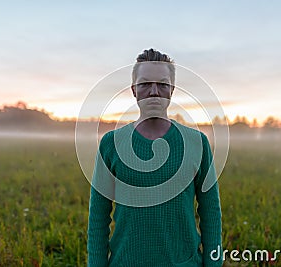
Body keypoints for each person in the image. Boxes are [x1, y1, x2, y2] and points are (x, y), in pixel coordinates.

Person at [87, 48, 223, 266]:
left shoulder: (197, 143)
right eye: (145, 84)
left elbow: (211, 213)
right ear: (134, 90)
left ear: (172, 90)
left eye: (162, 84)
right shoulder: (111, 144)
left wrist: (213, 263)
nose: (153, 91)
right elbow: (98, 217)